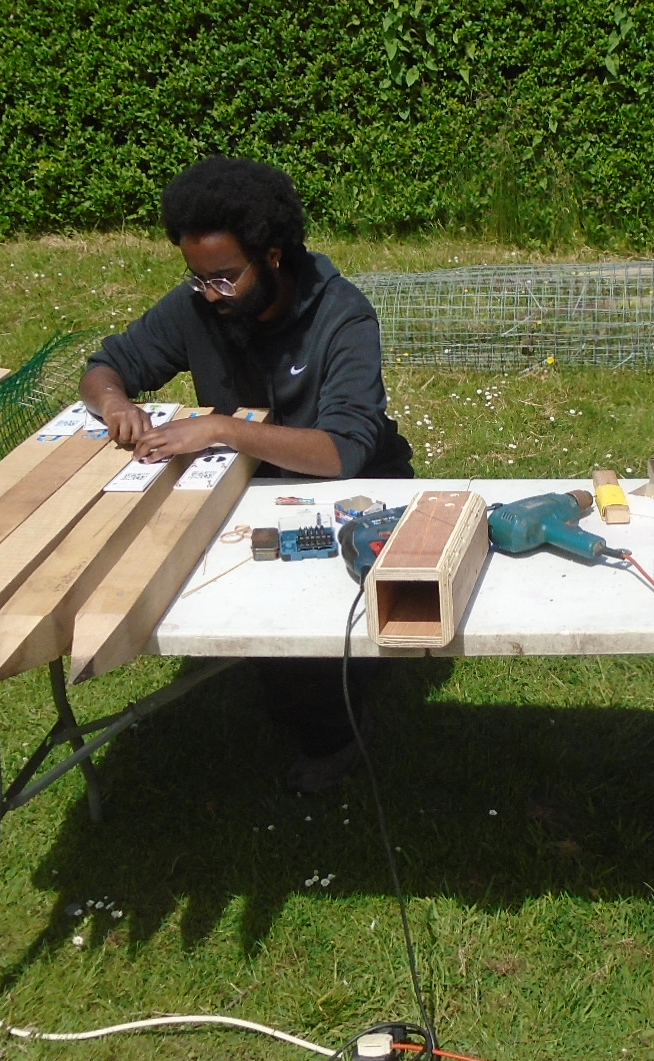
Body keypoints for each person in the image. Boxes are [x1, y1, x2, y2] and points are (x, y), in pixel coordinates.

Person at [82, 155, 413, 793]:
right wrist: (117, 402)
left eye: (225, 279)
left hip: (356, 487)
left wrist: (222, 429)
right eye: (198, 278)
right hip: (252, 483)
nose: (210, 294)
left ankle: (338, 735)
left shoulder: (344, 315)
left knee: (299, 639)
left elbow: (343, 451)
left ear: (274, 257)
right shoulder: (200, 303)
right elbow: (105, 366)